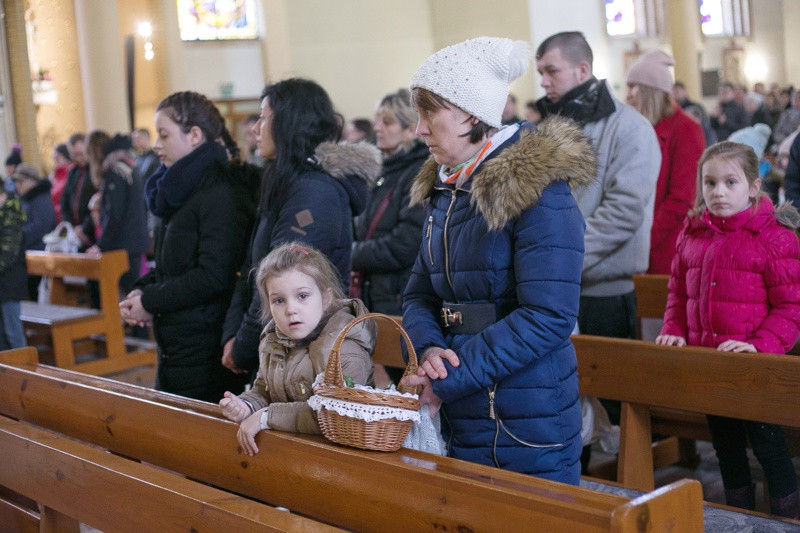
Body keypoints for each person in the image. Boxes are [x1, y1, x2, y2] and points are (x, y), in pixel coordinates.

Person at [400, 36, 596, 484]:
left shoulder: (539, 189)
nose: (419, 129)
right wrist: (428, 350)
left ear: (470, 112)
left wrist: (447, 376)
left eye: (429, 111)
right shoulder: (448, 189)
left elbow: (548, 315)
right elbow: (419, 292)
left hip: (525, 416)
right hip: (462, 409)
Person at [656, 141, 800, 518]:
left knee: (769, 447)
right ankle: (738, 517)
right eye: (710, 182)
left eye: (730, 182)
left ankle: (786, 519)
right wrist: (674, 328)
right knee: (726, 446)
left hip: (756, 368)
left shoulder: (773, 237)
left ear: (753, 187)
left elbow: (790, 306)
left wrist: (761, 346)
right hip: (712, 364)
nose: (718, 192)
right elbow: (677, 291)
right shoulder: (694, 234)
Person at [535, 32, 660, 441]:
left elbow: (624, 211)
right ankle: (576, 487)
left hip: (603, 289)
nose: (544, 82)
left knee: (611, 408)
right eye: (540, 73)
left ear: (582, 69)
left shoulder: (630, 128)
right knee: (560, 401)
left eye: (551, 71)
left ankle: (625, 495)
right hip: (553, 289)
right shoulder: (546, 129)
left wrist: (561, 258)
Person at [220, 78, 380, 378]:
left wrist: (243, 344)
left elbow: (284, 277)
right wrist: (235, 333)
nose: (256, 129)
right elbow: (252, 265)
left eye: (264, 119)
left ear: (289, 124)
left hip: (307, 354)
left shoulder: (313, 193)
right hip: (281, 346)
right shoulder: (287, 183)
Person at [119, 91, 255, 402]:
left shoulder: (221, 191)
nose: (156, 144)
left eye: (164, 135)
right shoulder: (178, 189)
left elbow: (213, 275)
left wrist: (151, 301)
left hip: (206, 348)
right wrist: (142, 290)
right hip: (176, 345)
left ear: (194, 135)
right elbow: (171, 265)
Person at [219, 242, 375, 455]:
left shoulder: (345, 347)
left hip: (343, 458)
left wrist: (266, 417)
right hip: (293, 453)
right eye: (279, 301)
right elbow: (264, 389)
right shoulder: (273, 339)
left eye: (302, 296)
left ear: (326, 297)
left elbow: (335, 413)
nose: (291, 309)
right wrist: (247, 405)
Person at [625, 50, 705, 274]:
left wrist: (643, 237)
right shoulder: (635, 128)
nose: (628, 95)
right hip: (631, 240)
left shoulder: (686, 129)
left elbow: (681, 200)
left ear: (651, 91)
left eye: (633, 86)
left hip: (664, 245)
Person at [351, 88, 427, 316]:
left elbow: (405, 243)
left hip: (399, 295)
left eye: (387, 122)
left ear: (410, 129)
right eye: (377, 121)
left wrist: (351, 253)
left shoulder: (418, 172)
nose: (377, 128)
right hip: (378, 291)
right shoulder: (385, 170)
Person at [83, 131, 149, 295]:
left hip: (123, 245)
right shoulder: (128, 166)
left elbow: (114, 214)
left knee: (126, 295)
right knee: (132, 292)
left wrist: (100, 245)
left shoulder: (116, 172)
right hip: (133, 241)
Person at [12, 163, 56, 300]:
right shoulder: (26, 199)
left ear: (32, 181)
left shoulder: (41, 199)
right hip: (28, 256)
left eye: (21, 182)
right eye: (16, 182)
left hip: (39, 257)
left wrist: (17, 235)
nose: (17, 185)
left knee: (37, 296)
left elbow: (40, 226)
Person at [0, 187, 27, 350]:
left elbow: (8, 253)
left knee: (13, 332)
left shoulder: (11, 214)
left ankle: (25, 372)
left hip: (10, 281)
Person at [61, 133, 97, 250]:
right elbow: (65, 200)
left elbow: (98, 203)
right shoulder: (73, 172)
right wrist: (69, 226)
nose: (77, 159)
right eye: (74, 155)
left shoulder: (96, 171)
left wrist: (84, 227)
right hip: (74, 233)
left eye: (80, 154)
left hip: (92, 231)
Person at [49, 143, 73, 223]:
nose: (55, 160)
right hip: (56, 219)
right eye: (54, 158)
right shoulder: (55, 176)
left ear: (66, 157)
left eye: (57, 157)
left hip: (64, 219)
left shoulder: (71, 174)